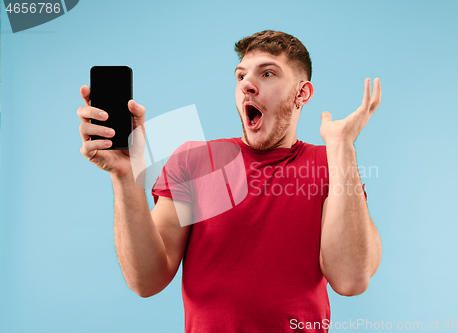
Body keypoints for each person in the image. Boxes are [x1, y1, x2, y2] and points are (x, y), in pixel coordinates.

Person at [77, 30, 382, 332]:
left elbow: (351, 280)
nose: (248, 84)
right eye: (240, 77)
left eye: (268, 74)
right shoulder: (194, 162)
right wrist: (125, 177)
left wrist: (342, 146)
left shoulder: (331, 164)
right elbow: (146, 280)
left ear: (302, 93)